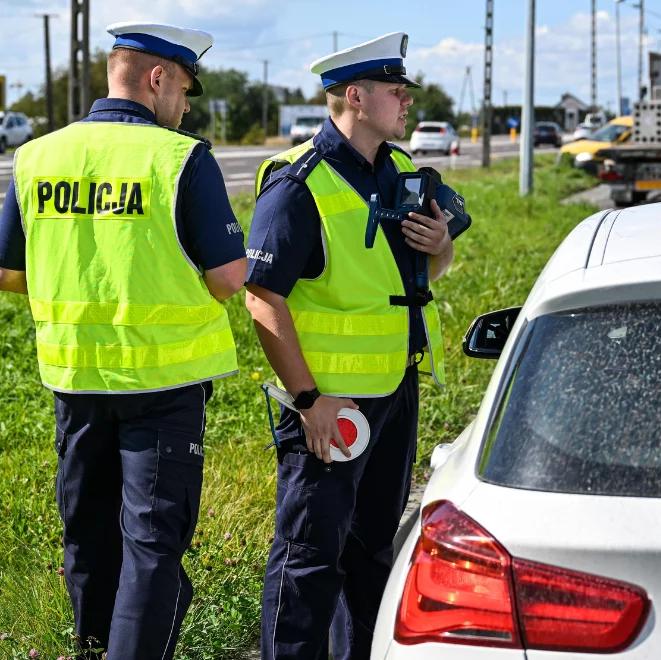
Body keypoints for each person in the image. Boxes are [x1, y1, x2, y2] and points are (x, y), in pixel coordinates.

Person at [0, 22, 246, 659]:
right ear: (158, 78)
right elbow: (226, 280)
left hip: (74, 379)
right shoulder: (179, 157)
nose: (185, 105)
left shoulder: (37, 158)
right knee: (152, 544)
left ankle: (91, 648)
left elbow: (8, 273)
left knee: (86, 534)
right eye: (185, 89)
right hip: (162, 385)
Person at [244, 31, 453, 659]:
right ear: (356, 98)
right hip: (328, 404)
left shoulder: (403, 173)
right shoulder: (298, 183)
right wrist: (309, 400)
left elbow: (423, 275)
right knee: (310, 555)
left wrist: (439, 244)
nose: (408, 100)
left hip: (392, 390)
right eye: (397, 90)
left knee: (371, 551)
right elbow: (262, 298)